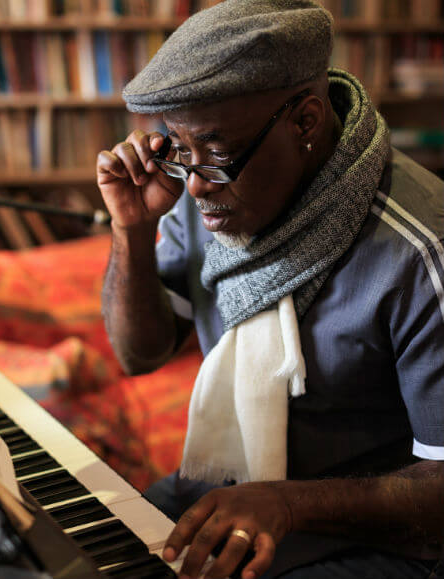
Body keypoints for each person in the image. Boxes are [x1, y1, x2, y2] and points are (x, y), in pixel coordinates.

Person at [96, 0, 444, 577]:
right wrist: (131, 228)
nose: (198, 184)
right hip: (227, 492)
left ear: (305, 121)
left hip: (373, 543)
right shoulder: (202, 196)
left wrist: (286, 502)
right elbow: (140, 353)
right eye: (179, 148)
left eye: (217, 150)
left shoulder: (420, 253)